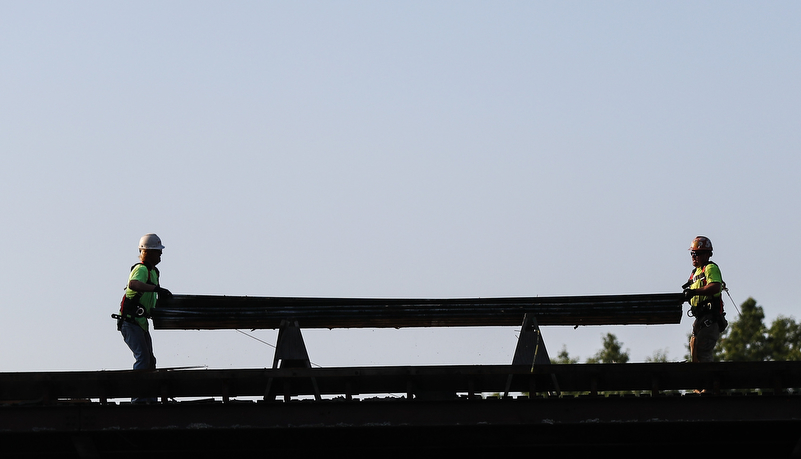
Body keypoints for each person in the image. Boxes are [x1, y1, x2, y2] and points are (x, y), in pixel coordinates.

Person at [117, 233, 173, 380]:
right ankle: (139, 398)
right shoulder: (142, 270)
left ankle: (148, 397)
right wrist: (156, 289)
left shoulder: (153, 272)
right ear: (147, 252)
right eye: (158, 251)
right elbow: (133, 284)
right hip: (131, 322)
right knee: (142, 358)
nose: (161, 254)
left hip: (140, 322)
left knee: (149, 361)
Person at [682, 236, 727, 363]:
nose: (693, 256)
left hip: (710, 318)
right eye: (692, 253)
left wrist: (694, 292)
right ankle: (702, 380)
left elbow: (715, 287)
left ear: (708, 254)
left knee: (702, 353)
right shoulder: (694, 273)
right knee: (695, 354)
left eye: (697, 253)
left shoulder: (710, 268)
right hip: (699, 319)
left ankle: (709, 380)